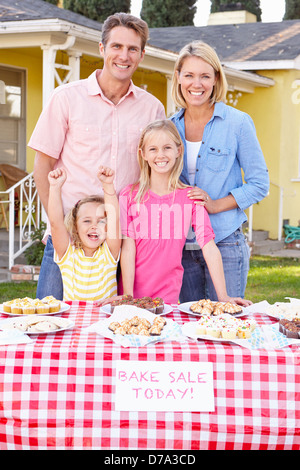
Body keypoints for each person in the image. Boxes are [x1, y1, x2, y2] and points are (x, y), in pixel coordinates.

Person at [28, 12, 166, 300]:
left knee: (123, 329)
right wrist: (57, 224)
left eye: (132, 49)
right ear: (102, 49)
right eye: (116, 46)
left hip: (122, 238)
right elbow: (43, 165)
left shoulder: (152, 109)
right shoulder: (66, 98)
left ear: (142, 54)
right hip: (70, 237)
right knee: (49, 325)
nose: (123, 55)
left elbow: (156, 172)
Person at [170, 41, 269, 302]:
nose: (197, 84)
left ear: (216, 78)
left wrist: (214, 205)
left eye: (205, 76)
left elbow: (260, 183)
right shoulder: (169, 128)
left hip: (225, 241)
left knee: (226, 323)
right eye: (189, 75)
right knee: (190, 328)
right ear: (178, 77)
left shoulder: (237, 123)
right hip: (181, 246)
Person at [118, 119, 251, 306]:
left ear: (179, 151)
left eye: (167, 148)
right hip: (132, 294)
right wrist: (128, 296)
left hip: (167, 295)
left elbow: (209, 246)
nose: (160, 155)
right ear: (143, 154)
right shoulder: (129, 195)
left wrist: (223, 296)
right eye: (153, 149)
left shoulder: (190, 197)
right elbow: (128, 247)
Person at [47, 165, 120, 301]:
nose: (94, 226)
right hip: (74, 321)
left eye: (101, 221)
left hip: (105, 321)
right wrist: (55, 188)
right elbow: (55, 223)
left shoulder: (108, 253)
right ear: (75, 226)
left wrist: (108, 185)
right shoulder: (67, 254)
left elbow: (114, 217)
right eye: (87, 221)